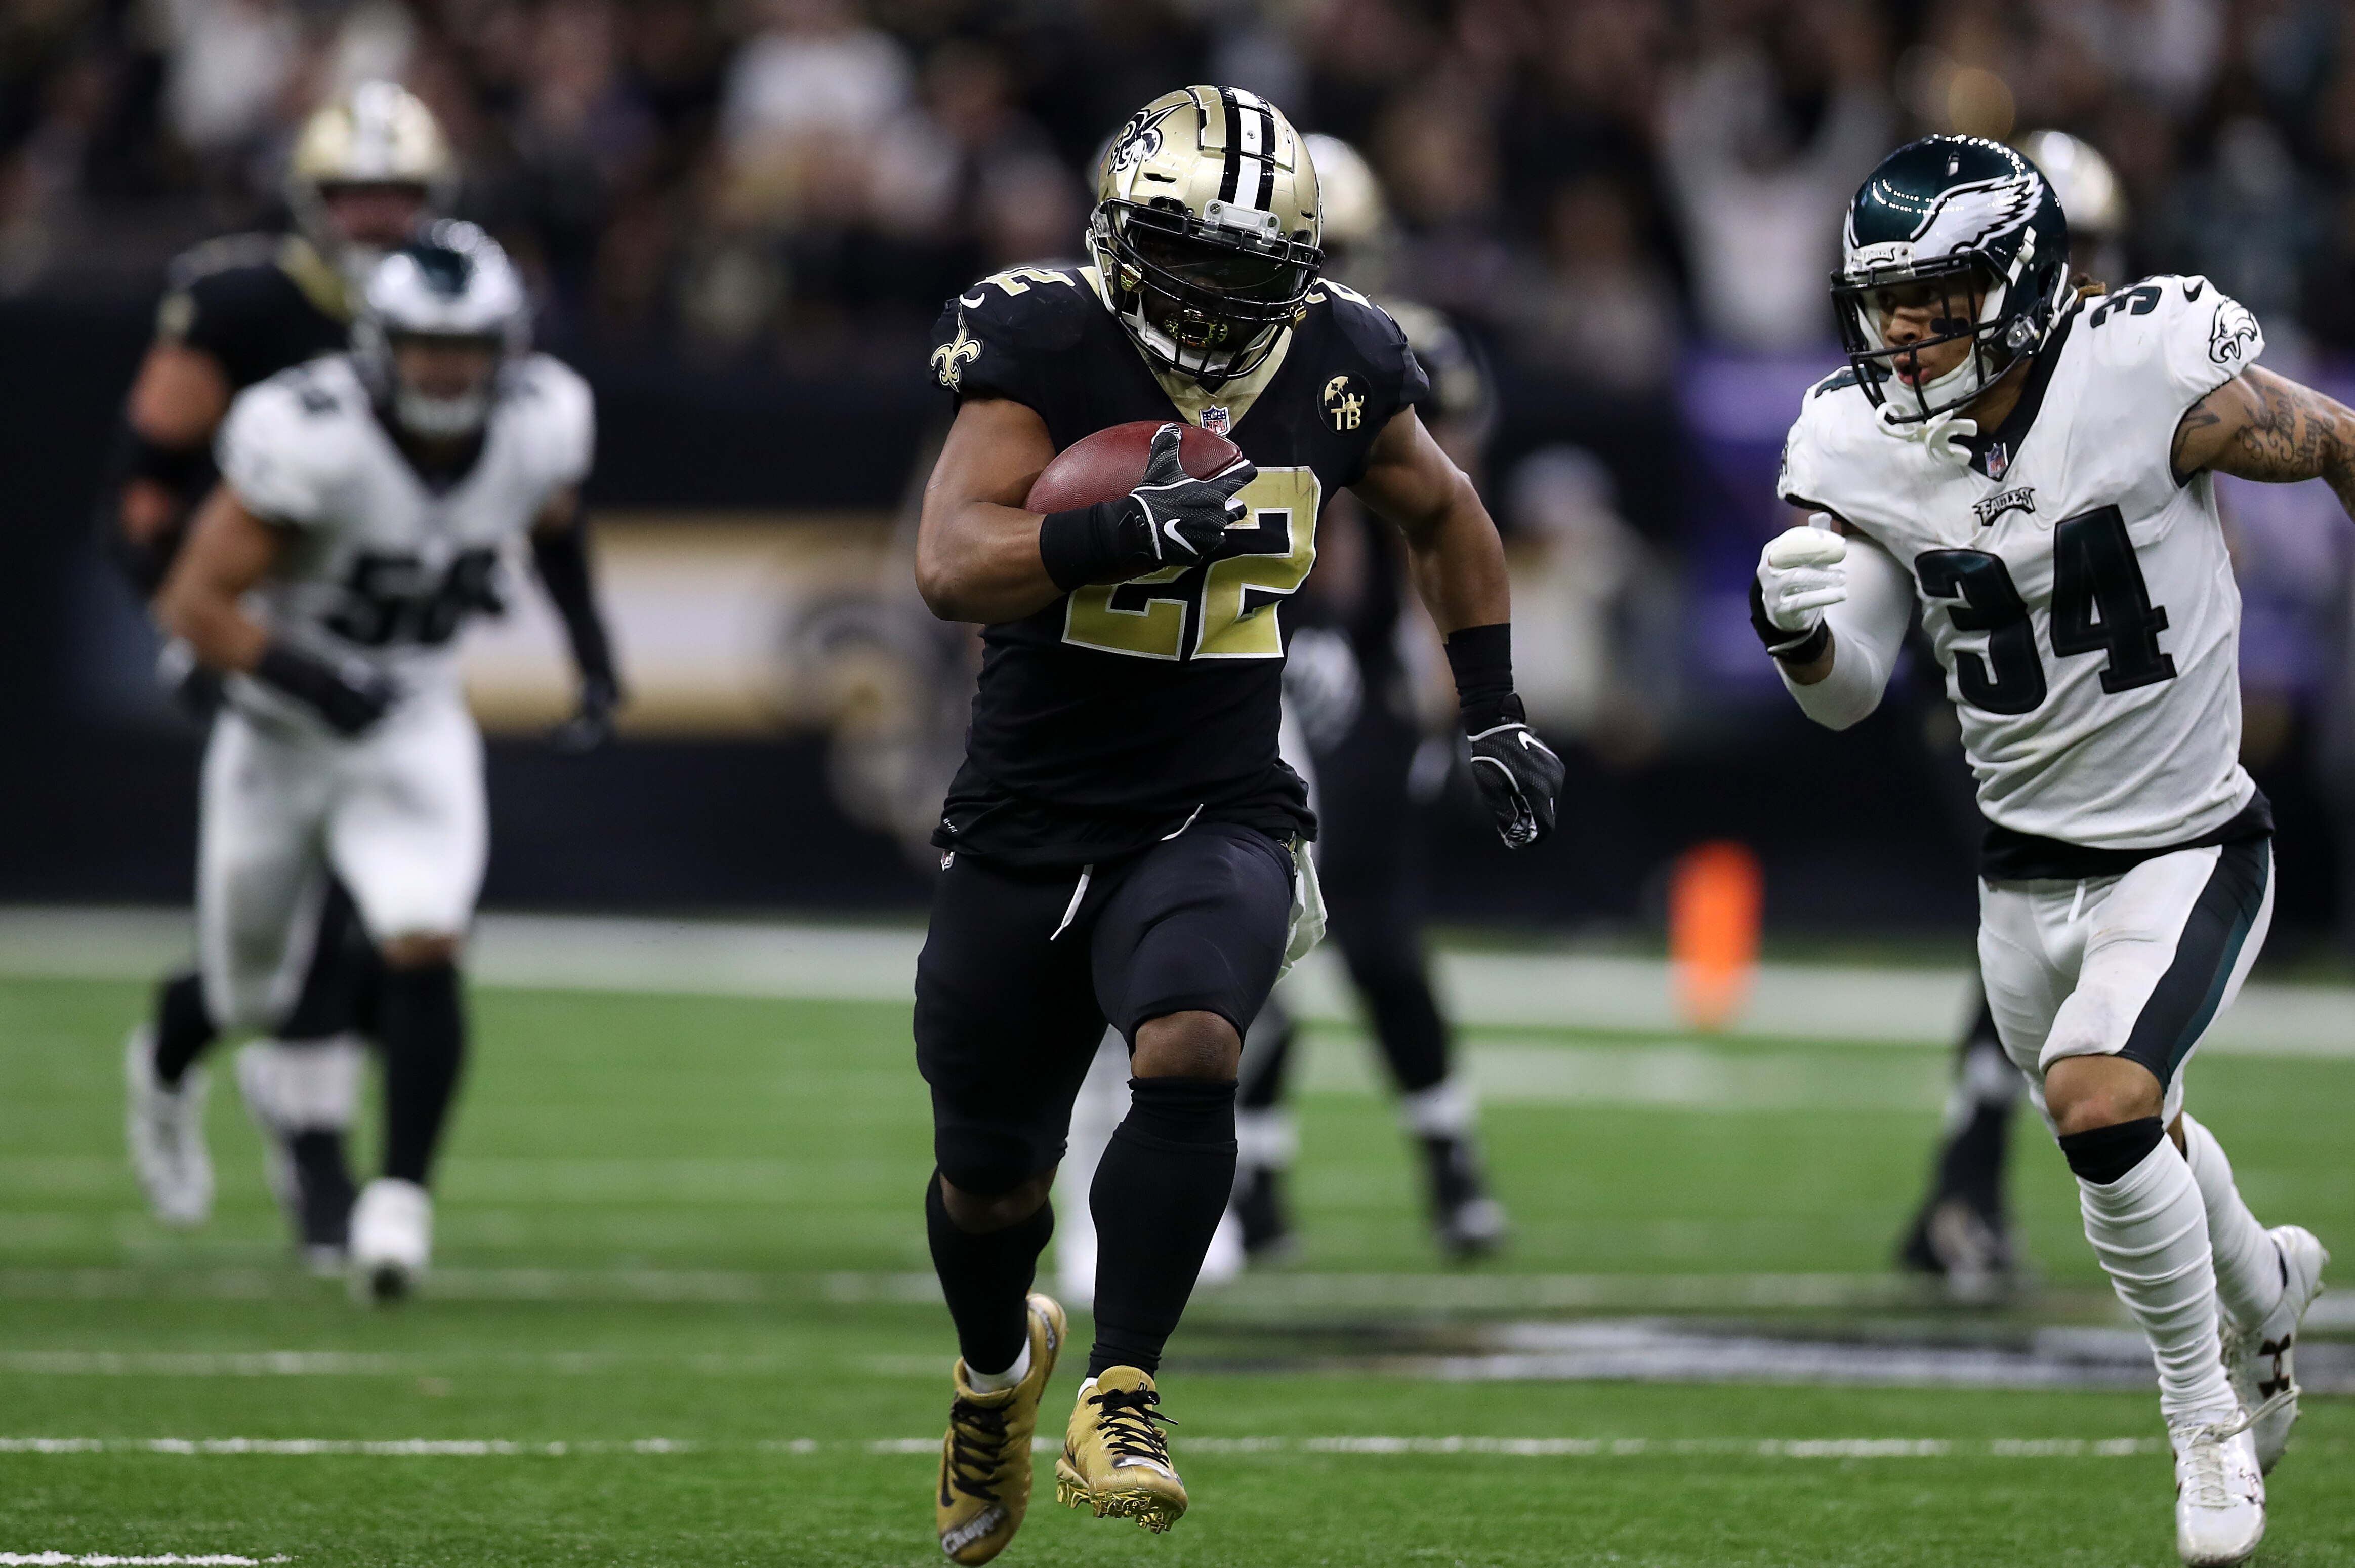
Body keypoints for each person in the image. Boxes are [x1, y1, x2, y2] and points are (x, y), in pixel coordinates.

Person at [915, 86, 1561, 1562]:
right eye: (1184, 265)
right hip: (1026, 811)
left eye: (1243, 276)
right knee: (989, 1177)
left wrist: (1495, 708)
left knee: (1197, 1039)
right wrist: (1112, 532)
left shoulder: (1338, 351)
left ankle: (1123, 1385)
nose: (1208, 307)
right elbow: (951, 562)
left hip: (1214, 797)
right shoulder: (1043, 337)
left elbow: (1446, 512)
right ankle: (993, 1372)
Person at [1761, 134, 2330, 1567]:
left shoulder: (2142, 368)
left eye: (1934, 296)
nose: (1899, 329)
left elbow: (2323, 439)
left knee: (2096, 1099)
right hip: (2015, 876)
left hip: (2187, 841)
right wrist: (1798, 634)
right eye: (1881, 298)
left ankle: (2201, 1421)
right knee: (2131, 1126)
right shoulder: (1853, 440)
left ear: (2014, 283)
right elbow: (1843, 696)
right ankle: (2264, 1284)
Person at [148, 221, 618, 1303]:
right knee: (250, 987)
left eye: (467, 344)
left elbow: (552, 524)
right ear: (379, 343)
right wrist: (316, 680)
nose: (448, 367)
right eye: (424, 343)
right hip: (280, 726)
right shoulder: (309, 431)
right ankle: (166, 1059)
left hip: (411, 718)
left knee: (423, 933)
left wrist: (592, 657)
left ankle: (397, 1202)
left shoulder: (541, 420)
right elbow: (193, 600)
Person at [118, 82, 455, 1267]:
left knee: (396, 927)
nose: (374, 217)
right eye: (354, 193)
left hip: (393, 649)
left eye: (397, 193)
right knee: (279, 953)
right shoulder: (242, 302)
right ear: (311, 201)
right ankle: (208, 1057)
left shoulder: (461, 299)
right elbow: (151, 487)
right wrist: (195, 622)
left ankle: (323, 1172)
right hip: (260, 634)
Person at [1227, 132, 1509, 1262]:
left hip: (1370, 673)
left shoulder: (1401, 352)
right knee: (1251, 934)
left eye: (1335, 247)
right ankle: (1255, 1179)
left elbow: (1440, 529)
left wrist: (1451, 699)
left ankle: (1449, 1159)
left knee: (1378, 933)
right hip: (1256, 654)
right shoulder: (1219, 351)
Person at [1895, 129, 2135, 1298]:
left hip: (2085, 705)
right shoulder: (1950, 374)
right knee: (2042, 945)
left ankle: (1959, 1189)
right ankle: (1962, 1196)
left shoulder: (2121, 367)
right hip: (1988, 699)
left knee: (2038, 956)